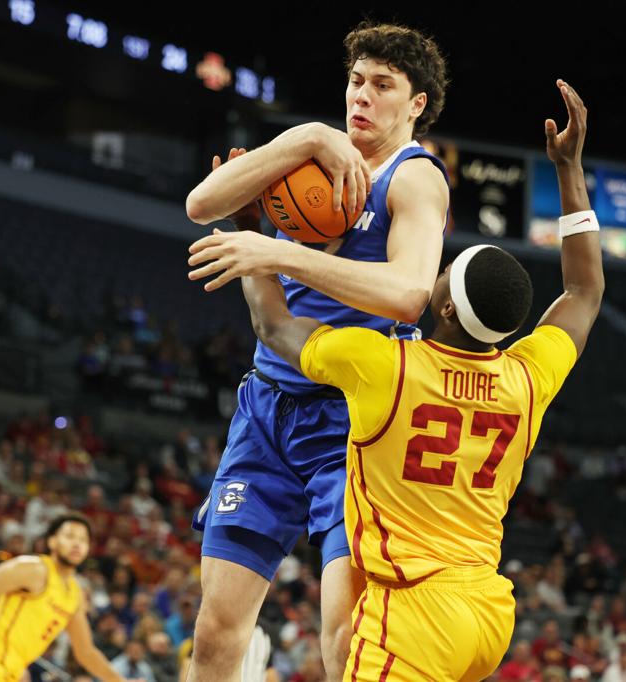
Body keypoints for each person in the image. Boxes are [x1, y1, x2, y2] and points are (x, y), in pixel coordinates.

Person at [236, 79, 601, 681]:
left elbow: (273, 326)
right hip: (486, 611)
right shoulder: (528, 375)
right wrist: (570, 170)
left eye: (447, 269)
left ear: (447, 307)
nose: (436, 266)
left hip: (414, 614)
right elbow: (584, 291)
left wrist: (255, 233)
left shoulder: (386, 366)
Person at [183, 23, 450, 681]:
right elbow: (201, 204)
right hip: (270, 408)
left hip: (356, 424)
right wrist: (304, 136)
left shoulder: (415, 179)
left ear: (415, 104)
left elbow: (409, 293)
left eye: (383, 85)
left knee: (344, 638)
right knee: (215, 633)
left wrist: (277, 253)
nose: (363, 96)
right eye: (357, 81)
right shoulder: (308, 152)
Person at [0, 513, 137, 682]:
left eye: (83, 539)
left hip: (12, 675)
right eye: (70, 536)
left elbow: (86, 652)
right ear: (52, 541)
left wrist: (119, 680)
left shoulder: (74, 594)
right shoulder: (34, 568)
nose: (77, 544)